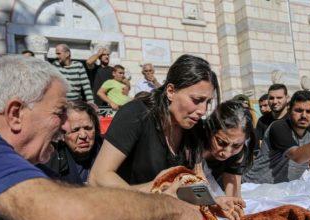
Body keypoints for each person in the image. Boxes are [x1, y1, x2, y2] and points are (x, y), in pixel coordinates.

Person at [0, 55, 203, 220]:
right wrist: (172, 210)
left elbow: (94, 202)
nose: (66, 126)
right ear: (16, 114)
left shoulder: (22, 163)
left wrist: (161, 192)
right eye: (59, 112)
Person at [89, 54, 218, 191]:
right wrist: (155, 191)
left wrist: (214, 202)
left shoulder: (194, 127)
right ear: (171, 91)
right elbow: (98, 177)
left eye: (208, 102)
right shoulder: (136, 114)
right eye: (196, 100)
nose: (203, 110)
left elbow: (198, 179)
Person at [201, 100, 255, 198]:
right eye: (221, 143)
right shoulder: (194, 142)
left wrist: (234, 206)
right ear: (210, 131)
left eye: (236, 146)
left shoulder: (238, 153)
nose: (227, 153)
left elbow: (233, 195)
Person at [42, 100, 103, 184]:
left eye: (88, 128)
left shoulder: (106, 149)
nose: (83, 135)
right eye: (75, 130)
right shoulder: (50, 159)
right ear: (61, 134)